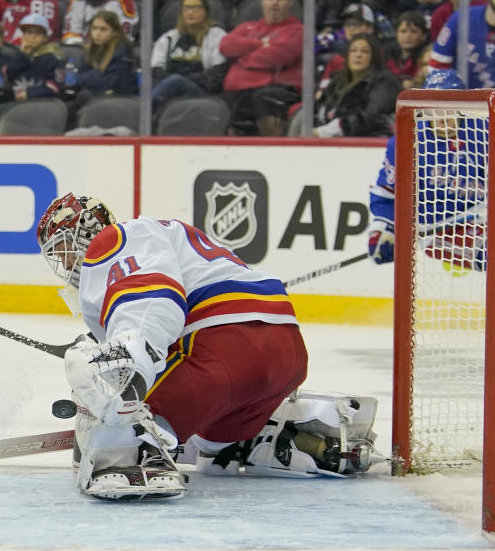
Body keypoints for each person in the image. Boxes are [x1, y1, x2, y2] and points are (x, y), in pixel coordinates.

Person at [36, 193, 377, 500]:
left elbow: (151, 298)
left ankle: (136, 447)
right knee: (208, 446)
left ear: (82, 232)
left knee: (115, 429)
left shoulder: (114, 239)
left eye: (62, 251)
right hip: (284, 352)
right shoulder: (167, 235)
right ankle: (257, 440)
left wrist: (128, 359)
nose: (65, 266)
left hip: (225, 347)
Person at [367, 69, 486, 270]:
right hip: (434, 232)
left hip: (481, 218)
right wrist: (382, 229)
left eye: (450, 105)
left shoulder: (485, 130)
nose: (442, 113)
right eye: (434, 105)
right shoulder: (407, 140)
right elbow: (387, 193)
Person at [220, 0, 302, 136]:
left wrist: (240, 58)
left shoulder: (297, 30)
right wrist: (258, 44)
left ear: (290, 2)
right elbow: (225, 45)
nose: (275, 3)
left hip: (272, 92)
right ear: (262, 2)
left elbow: (275, 58)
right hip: (235, 94)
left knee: (259, 100)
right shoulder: (247, 27)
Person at [150, 0, 228, 113]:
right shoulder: (169, 37)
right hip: (171, 90)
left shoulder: (217, 36)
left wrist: (182, 80)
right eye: (186, 8)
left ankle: (140, 113)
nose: (190, 12)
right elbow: (156, 70)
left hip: (202, 93)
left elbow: (216, 76)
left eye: (196, 8)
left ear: (206, 11)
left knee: (176, 81)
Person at [313, 33, 399, 137]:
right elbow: (323, 108)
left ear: (374, 56)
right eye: (353, 51)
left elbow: (371, 116)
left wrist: (327, 131)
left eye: (365, 51)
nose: (358, 55)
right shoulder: (338, 80)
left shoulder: (385, 82)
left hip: (372, 142)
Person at [66, 10, 137, 125]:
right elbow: (78, 79)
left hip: (117, 99)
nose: (97, 33)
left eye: (103, 29)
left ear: (115, 32)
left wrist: (87, 78)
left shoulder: (122, 51)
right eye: (94, 29)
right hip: (94, 96)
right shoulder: (91, 49)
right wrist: (95, 76)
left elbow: (114, 82)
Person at [0, 12, 63, 103]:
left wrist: (30, 93)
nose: (32, 36)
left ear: (45, 38)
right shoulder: (17, 56)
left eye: (38, 33)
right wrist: (22, 54)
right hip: (15, 103)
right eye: (29, 32)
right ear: (23, 36)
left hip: (43, 104)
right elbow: (8, 76)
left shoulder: (52, 58)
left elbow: (55, 86)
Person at [384, 10, 430, 90]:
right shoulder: (386, 53)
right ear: (396, 34)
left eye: (414, 31)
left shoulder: (427, 57)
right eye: (403, 31)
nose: (408, 36)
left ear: (424, 35)